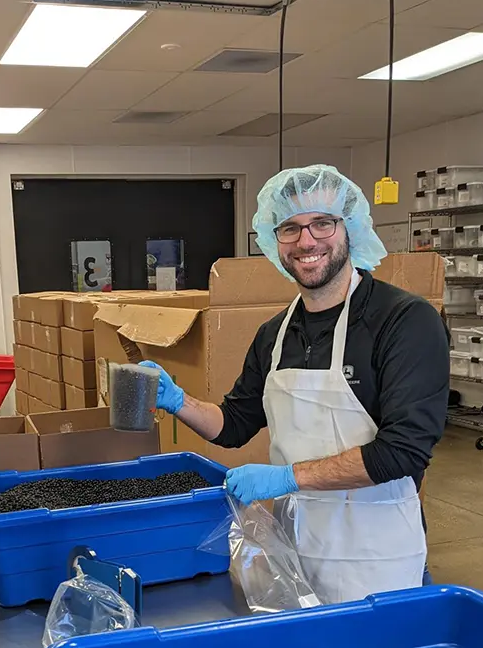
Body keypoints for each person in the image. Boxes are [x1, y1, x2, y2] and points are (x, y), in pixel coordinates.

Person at [143, 165, 450, 606]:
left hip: (378, 557)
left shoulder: (403, 321)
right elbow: (234, 424)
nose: (307, 241)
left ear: (350, 227)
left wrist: (287, 477)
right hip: (297, 551)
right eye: (290, 228)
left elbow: (404, 450)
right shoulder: (275, 333)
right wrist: (178, 400)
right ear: (275, 242)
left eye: (322, 223)